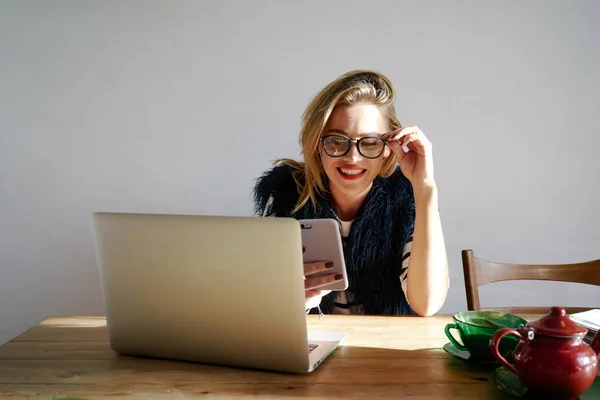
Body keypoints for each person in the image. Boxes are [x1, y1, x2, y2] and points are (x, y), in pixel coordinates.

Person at [253, 70, 449, 316]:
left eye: (369, 142)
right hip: (313, 344)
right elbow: (266, 307)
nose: (352, 158)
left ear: (389, 148)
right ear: (317, 145)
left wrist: (425, 189)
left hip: (385, 347)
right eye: (336, 140)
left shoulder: (407, 199)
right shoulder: (286, 197)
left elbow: (426, 304)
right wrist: (292, 301)